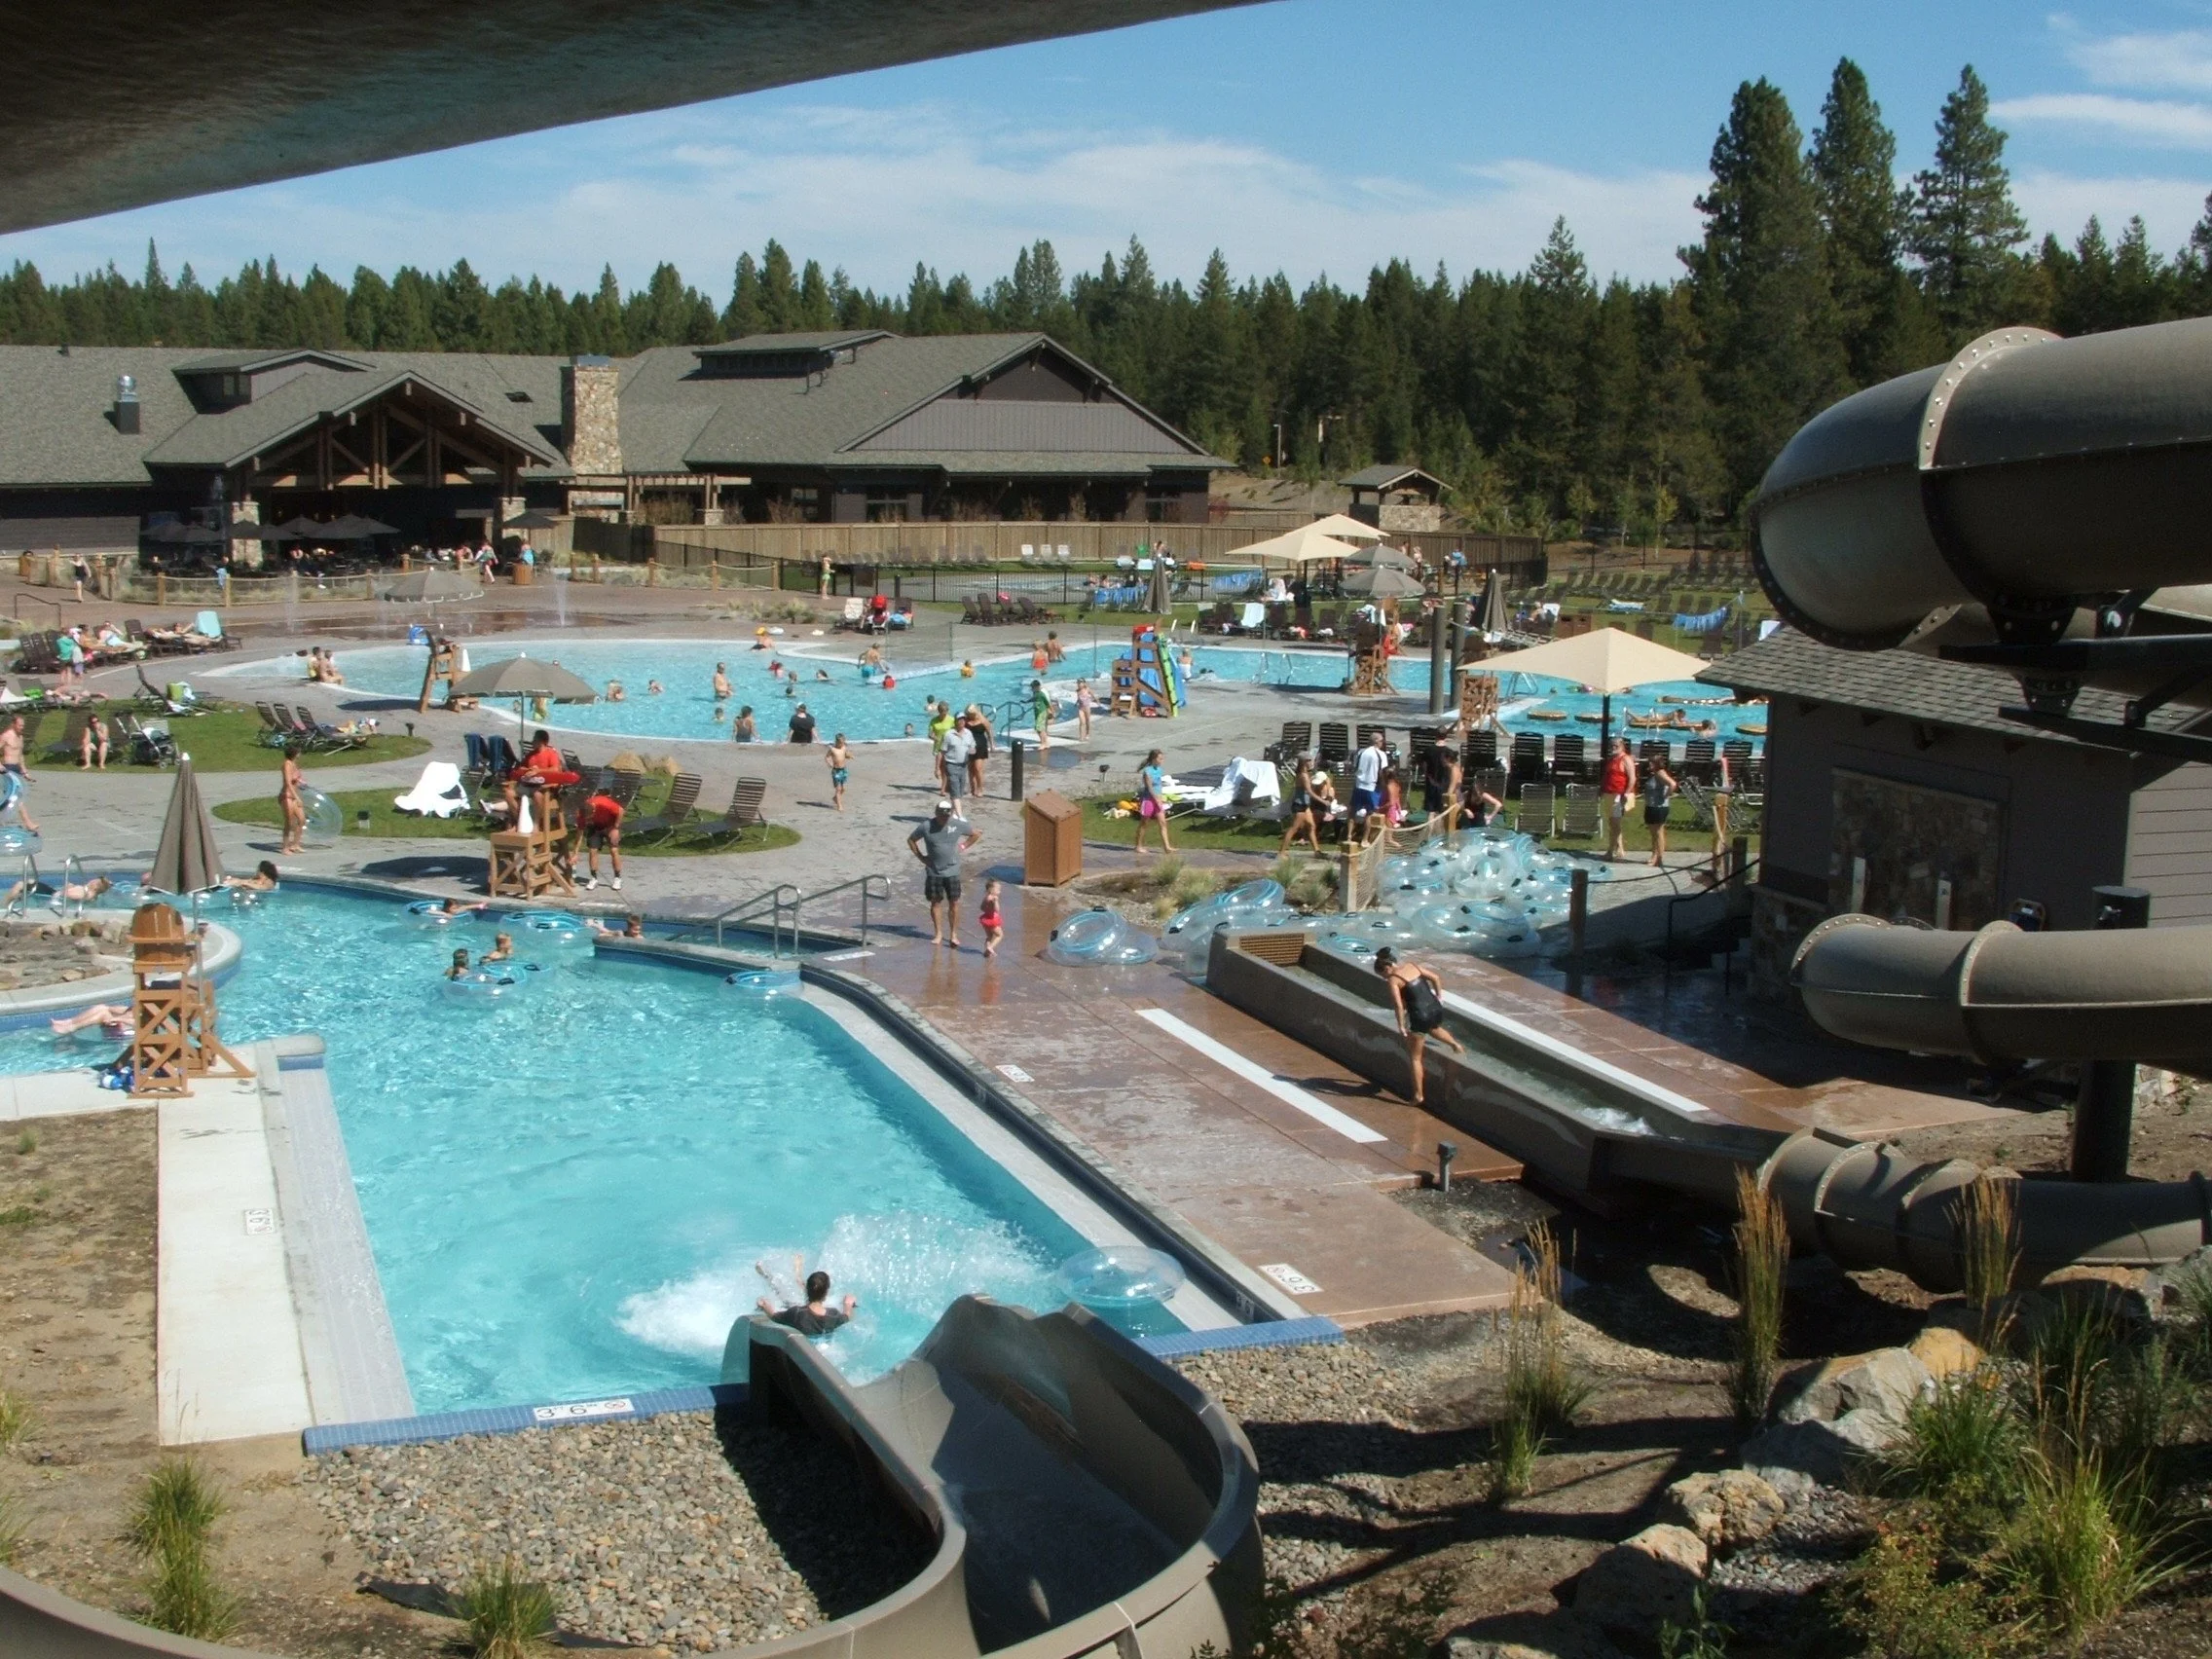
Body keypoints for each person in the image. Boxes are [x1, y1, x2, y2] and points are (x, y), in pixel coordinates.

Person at [1374, 946, 1465, 1107]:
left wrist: (1401, 1026)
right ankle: (1456, 1045)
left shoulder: (1394, 980)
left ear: (1387, 968)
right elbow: (1436, 978)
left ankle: (1418, 1096)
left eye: (1383, 975)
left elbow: (1398, 1006)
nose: (1385, 978)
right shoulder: (1412, 966)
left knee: (1415, 1057)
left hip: (1419, 1015)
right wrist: (1439, 997)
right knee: (1433, 1028)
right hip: (1435, 1008)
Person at [909, 800, 981, 948]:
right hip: (934, 871)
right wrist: (921, 857)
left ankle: (954, 934)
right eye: (941, 815)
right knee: (935, 902)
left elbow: (975, 834)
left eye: (946, 815)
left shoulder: (956, 824)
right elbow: (911, 840)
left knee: (954, 902)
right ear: (936, 813)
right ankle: (938, 933)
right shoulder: (926, 826)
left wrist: (963, 846)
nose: (944, 818)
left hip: (952, 871)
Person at [759, 1269, 856, 1336]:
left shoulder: (796, 1313)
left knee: (782, 1296)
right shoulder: (833, 1315)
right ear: (826, 1292)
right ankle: (798, 1278)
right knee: (785, 1299)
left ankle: (767, 1275)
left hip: (799, 1309)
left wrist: (764, 1305)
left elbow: (774, 1317)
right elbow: (846, 1316)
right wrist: (848, 1304)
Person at [1598, 737, 1637, 861]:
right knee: (1612, 823)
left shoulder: (1626, 759)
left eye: (1615, 745)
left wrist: (1626, 792)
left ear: (1622, 746)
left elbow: (1632, 778)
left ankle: (1614, 850)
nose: (1613, 747)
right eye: (1611, 745)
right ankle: (1616, 848)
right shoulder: (1612, 760)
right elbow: (1607, 777)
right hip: (1609, 793)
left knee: (1615, 823)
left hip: (1619, 794)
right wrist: (1601, 789)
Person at [577, 793, 623, 891]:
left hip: (610, 825)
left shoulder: (604, 804)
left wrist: (616, 828)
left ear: (594, 810)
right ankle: (594, 878)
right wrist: (575, 853)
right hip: (595, 827)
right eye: (587, 819)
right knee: (592, 851)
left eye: (590, 818)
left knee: (613, 850)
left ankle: (617, 878)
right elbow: (579, 832)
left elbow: (621, 811)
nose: (588, 820)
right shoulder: (582, 813)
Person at [1279, 757, 1326, 854]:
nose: (1312, 763)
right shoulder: (1303, 775)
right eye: (1310, 761)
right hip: (1299, 805)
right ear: (1305, 763)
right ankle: (1282, 851)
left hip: (1305, 805)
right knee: (1294, 828)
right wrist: (1323, 801)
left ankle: (1317, 851)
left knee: (1311, 826)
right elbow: (1309, 791)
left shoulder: (1305, 774)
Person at [1642, 757, 1680, 867]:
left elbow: (1672, 784)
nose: (1648, 764)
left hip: (1658, 807)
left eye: (1651, 762)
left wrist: (1666, 795)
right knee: (1654, 834)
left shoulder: (1660, 773)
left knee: (1658, 833)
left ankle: (1659, 858)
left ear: (1656, 764)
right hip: (1651, 806)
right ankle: (1654, 855)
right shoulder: (1655, 774)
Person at [1133, 748, 1172, 854]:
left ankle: (1167, 847)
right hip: (1148, 800)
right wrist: (1156, 799)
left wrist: (1161, 798)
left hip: (1158, 799)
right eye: (1160, 759)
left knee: (1163, 822)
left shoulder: (1159, 770)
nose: (1162, 761)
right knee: (1144, 823)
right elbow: (1149, 787)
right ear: (1154, 759)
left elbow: (1159, 786)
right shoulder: (1147, 771)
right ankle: (1138, 845)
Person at [6, 873, 111, 907]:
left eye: (94, 881)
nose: (91, 880)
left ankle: (5, 907)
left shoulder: (85, 892)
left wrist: (68, 887)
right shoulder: (91, 895)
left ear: (96, 887)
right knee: (27, 883)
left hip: (53, 896)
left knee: (21, 885)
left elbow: (66, 894)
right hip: (54, 895)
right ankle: (9, 904)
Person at [1350, 728, 1387, 826]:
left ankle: (1349, 836)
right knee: (1369, 813)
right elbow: (1383, 771)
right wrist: (1383, 785)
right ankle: (1365, 839)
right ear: (1376, 741)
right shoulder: (1381, 754)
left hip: (1359, 785)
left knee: (1353, 811)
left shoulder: (1360, 752)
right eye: (1381, 741)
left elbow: (1355, 767)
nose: (1382, 743)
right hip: (1372, 787)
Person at [940, 715, 975, 814]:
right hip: (951, 765)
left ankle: (953, 814)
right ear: (955, 721)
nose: (962, 722)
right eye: (960, 720)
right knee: (955, 791)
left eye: (964, 720)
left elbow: (973, 746)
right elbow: (942, 751)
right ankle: (960, 816)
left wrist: (973, 750)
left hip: (964, 766)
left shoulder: (969, 733)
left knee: (959, 792)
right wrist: (938, 767)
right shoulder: (949, 734)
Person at [277, 742, 306, 855]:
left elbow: (295, 779)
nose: (300, 753)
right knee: (289, 822)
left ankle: (296, 844)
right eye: (298, 752)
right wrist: (296, 797)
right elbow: (288, 783)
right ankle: (285, 847)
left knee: (301, 819)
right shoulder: (287, 764)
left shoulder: (294, 764)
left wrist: (301, 781)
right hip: (287, 795)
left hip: (294, 794)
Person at [1421, 740, 1459, 823]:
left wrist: (1443, 800)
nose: (1442, 761)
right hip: (1444, 792)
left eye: (1443, 759)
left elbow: (1451, 789)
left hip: (1453, 798)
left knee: (1441, 816)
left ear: (1448, 759)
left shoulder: (1454, 770)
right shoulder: (1450, 769)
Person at [963, 704, 991, 796]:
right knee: (971, 769)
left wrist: (992, 745)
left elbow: (989, 732)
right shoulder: (966, 720)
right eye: (968, 714)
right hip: (969, 747)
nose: (969, 716)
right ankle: (972, 789)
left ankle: (980, 788)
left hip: (980, 747)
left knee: (978, 768)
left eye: (971, 714)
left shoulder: (983, 720)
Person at [978, 877, 1005, 959]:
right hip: (993, 920)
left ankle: (987, 951)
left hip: (985, 919)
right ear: (991, 890)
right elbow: (997, 910)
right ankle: (990, 947)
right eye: (998, 889)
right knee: (1000, 935)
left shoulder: (986, 898)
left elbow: (982, 908)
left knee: (989, 936)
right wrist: (996, 902)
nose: (1000, 891)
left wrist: (987, 909)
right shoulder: (994, 898)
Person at [826, 733, 851, 813]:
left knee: (843, 789)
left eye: (843, 742)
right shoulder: (833, 749)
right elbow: (827, 756)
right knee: (838, 789)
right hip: (836, 770)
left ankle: (835, 798)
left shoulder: (844, 748)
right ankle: (839, 805)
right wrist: (829, 763)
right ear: (837, 742)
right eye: (840, 743)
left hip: (843, 770)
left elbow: (845, 755)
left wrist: (849, 756)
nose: (842, 744)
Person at [1030, 678, 1054, 752]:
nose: (1032, 689)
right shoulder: (1035, 693)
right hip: (1037, 712)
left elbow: (1048, 703)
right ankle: (1045, 742)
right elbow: (1033, 699)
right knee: (1040, 728)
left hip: (1042, 712)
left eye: (1033, 688)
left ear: (1037, 687)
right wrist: (1025, 702)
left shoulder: (1042, 693)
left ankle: (1043, 743)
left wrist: (1052, 712)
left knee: (1039, 728)